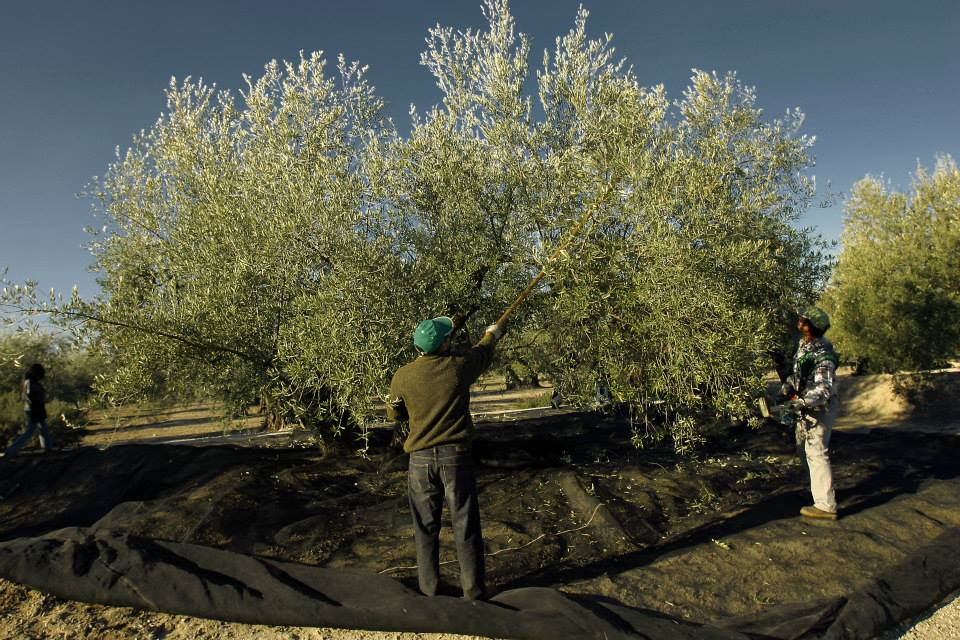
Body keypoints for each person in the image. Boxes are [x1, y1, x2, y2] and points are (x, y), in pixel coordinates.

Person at [387, 315, 506, 600]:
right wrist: (494, 333)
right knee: (464, 524)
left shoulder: (402, 376)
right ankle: (473, 591)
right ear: (443, 344)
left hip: (419, 462)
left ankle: (429, 591)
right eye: (448, 338)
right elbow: (483, 352)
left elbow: (395, 413)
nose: (452, 341)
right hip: (456, 457)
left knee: (425, 527)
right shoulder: (457, 368)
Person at [780, 307, 840, 520]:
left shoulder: (824, 354)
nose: (799, 322)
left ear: (809, 326)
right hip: (805, 406)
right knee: (803, 450)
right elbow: (799, 373)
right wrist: (789, 386)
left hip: (819, 408)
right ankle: (818, 493)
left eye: (803, 320)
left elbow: (824, 389)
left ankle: (826, 506)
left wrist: (803, 402)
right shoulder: (804, 345)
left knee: (817, 452)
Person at [4, 363, 52, 457]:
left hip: (34, 408)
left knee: (43, 428)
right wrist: (40, 400)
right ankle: (10, 451)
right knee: (30, 431)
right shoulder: (30, 382)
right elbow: (31, 395)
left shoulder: (30, 382)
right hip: (34, 408)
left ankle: (47, 448)